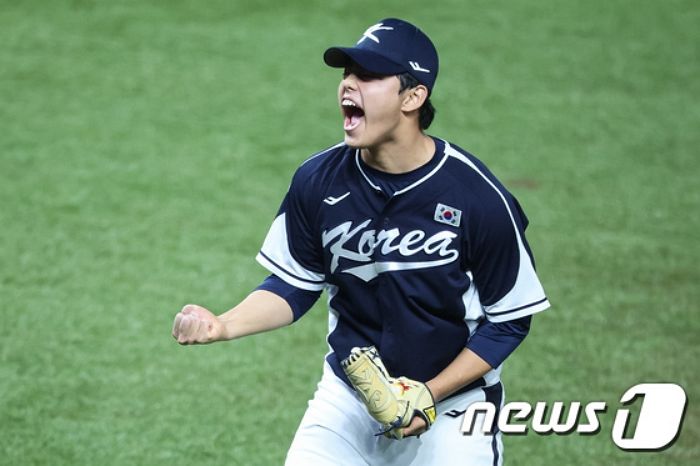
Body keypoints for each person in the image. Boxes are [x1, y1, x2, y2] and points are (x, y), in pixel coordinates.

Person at [172, 17, 550, 466]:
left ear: (413, 97)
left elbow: (509, 320)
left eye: (369, 76)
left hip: (455, 406)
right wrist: (223, 324)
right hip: (349, 399)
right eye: (347, 74)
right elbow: (296, 283)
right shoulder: (318, 179)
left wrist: (428, 394)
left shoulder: (477, 198)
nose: (349, 85)